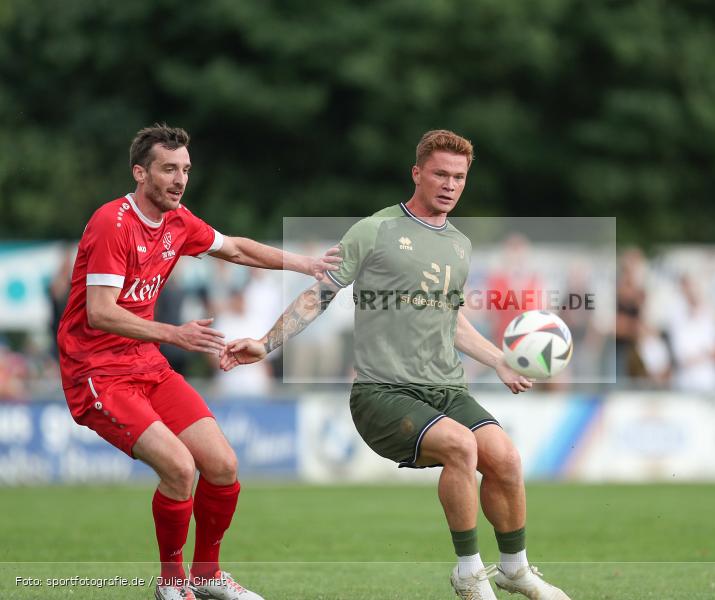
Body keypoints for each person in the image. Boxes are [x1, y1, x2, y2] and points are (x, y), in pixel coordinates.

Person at [221, 130, 571, 600]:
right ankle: (469, 572)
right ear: (417, 173)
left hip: (445, 389)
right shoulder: (375, 230)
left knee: (505, 460)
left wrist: (501, 361)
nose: (450, 184)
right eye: (441, 174)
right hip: (382, 393)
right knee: (461, 448)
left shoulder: (460, 245)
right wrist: (266, 344)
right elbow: (318, 294)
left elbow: (451, 319)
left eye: (459, 177)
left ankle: (515, 569)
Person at [56, 124, 340, 600]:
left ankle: (207, 577)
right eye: (168, 169)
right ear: (139, 172)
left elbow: (236, 247)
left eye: (185, 169)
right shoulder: (112, 222)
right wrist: (175, 334)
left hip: (146, 364)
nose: (179, 179)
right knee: (180, 469)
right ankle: (172, 585)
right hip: (97, 373)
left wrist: (304, 264)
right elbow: (100, 312)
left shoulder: (178, 221)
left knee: (223, 465)